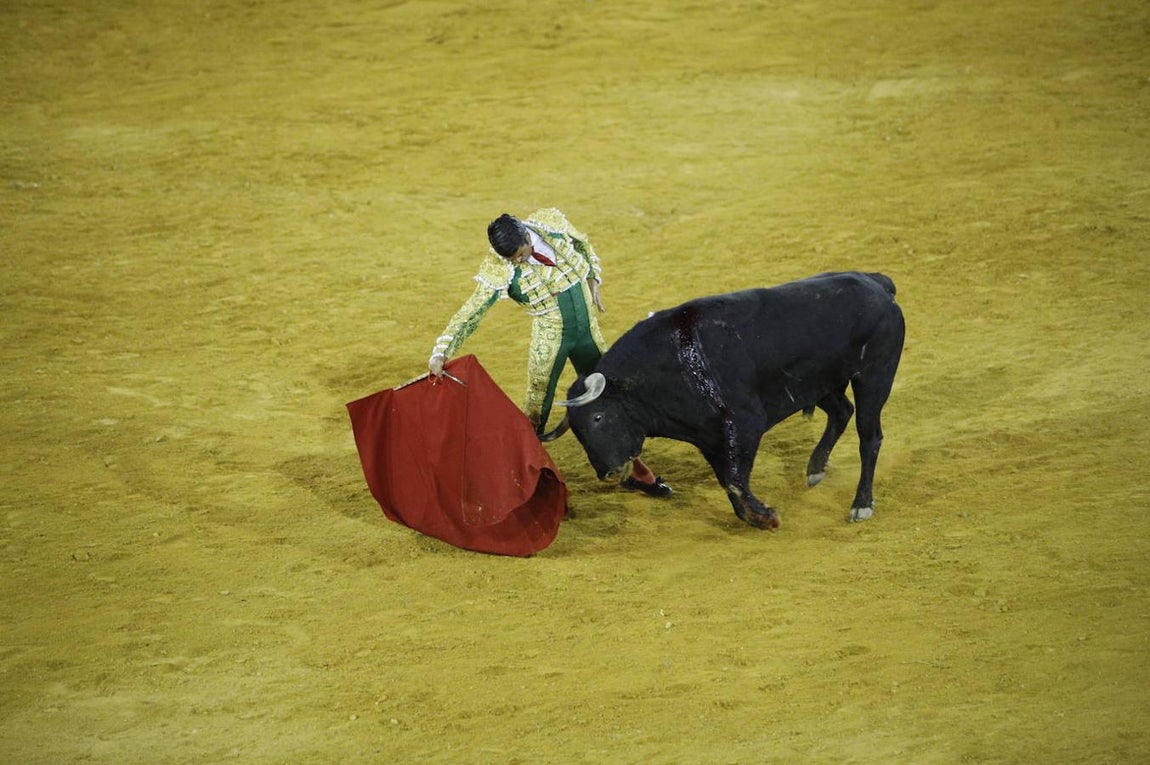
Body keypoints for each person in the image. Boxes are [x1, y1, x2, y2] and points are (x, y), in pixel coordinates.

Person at [428, 208, 672, 497]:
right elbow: (472, 311)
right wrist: (442, 350)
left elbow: (582, 242)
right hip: (550, 337)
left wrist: (594, 278)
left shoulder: (550, 224)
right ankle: (522, 481)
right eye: (513, 259)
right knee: (536, 409)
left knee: (608, 396)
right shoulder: (499, 266)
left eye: (521, 255)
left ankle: (634, 471)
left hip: (588, 332)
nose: (518, 261)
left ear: (526, 236)